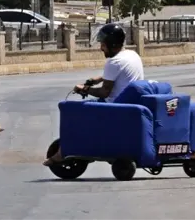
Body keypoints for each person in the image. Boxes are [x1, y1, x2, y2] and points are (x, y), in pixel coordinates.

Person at [43, 22, 144, 166]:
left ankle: (62, 153)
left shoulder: (113, 62)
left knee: (72, 112)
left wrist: (84, 89)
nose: (101, 47)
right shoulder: (132, 55)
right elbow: (117, 75)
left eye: (103, 44)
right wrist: (94, 80)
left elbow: (104, 92)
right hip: (129, 103)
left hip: (114, 107)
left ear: (112, 44)